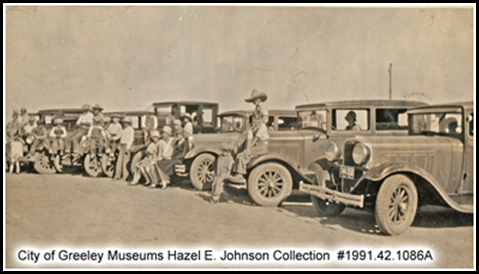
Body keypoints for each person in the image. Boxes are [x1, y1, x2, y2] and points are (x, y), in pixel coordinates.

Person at [228, 89, 270, 184]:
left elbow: (256, 139)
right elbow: (250, 138)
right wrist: (246, 148)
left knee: (244, 155)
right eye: (254, 118)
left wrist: (248, 149)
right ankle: (235, 172)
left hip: (262, 146)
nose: (255, 119)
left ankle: (240, 175)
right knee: (241, 153)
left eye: (257, 117)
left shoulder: (262, 126)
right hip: (256, 144)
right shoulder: (253, 128)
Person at [114, 117, 135, 181]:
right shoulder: (123, 130)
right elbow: (119, 136)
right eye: (124, 122)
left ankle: (125, 176)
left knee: (125, 162)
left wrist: (128, 147)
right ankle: (117, 175)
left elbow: (131, 139)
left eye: (126, 122)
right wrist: (113, 138)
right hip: (122, 145)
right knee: (119, 161)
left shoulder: (131, 130)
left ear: (128, 123)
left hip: (126, 146)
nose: (125, 124)